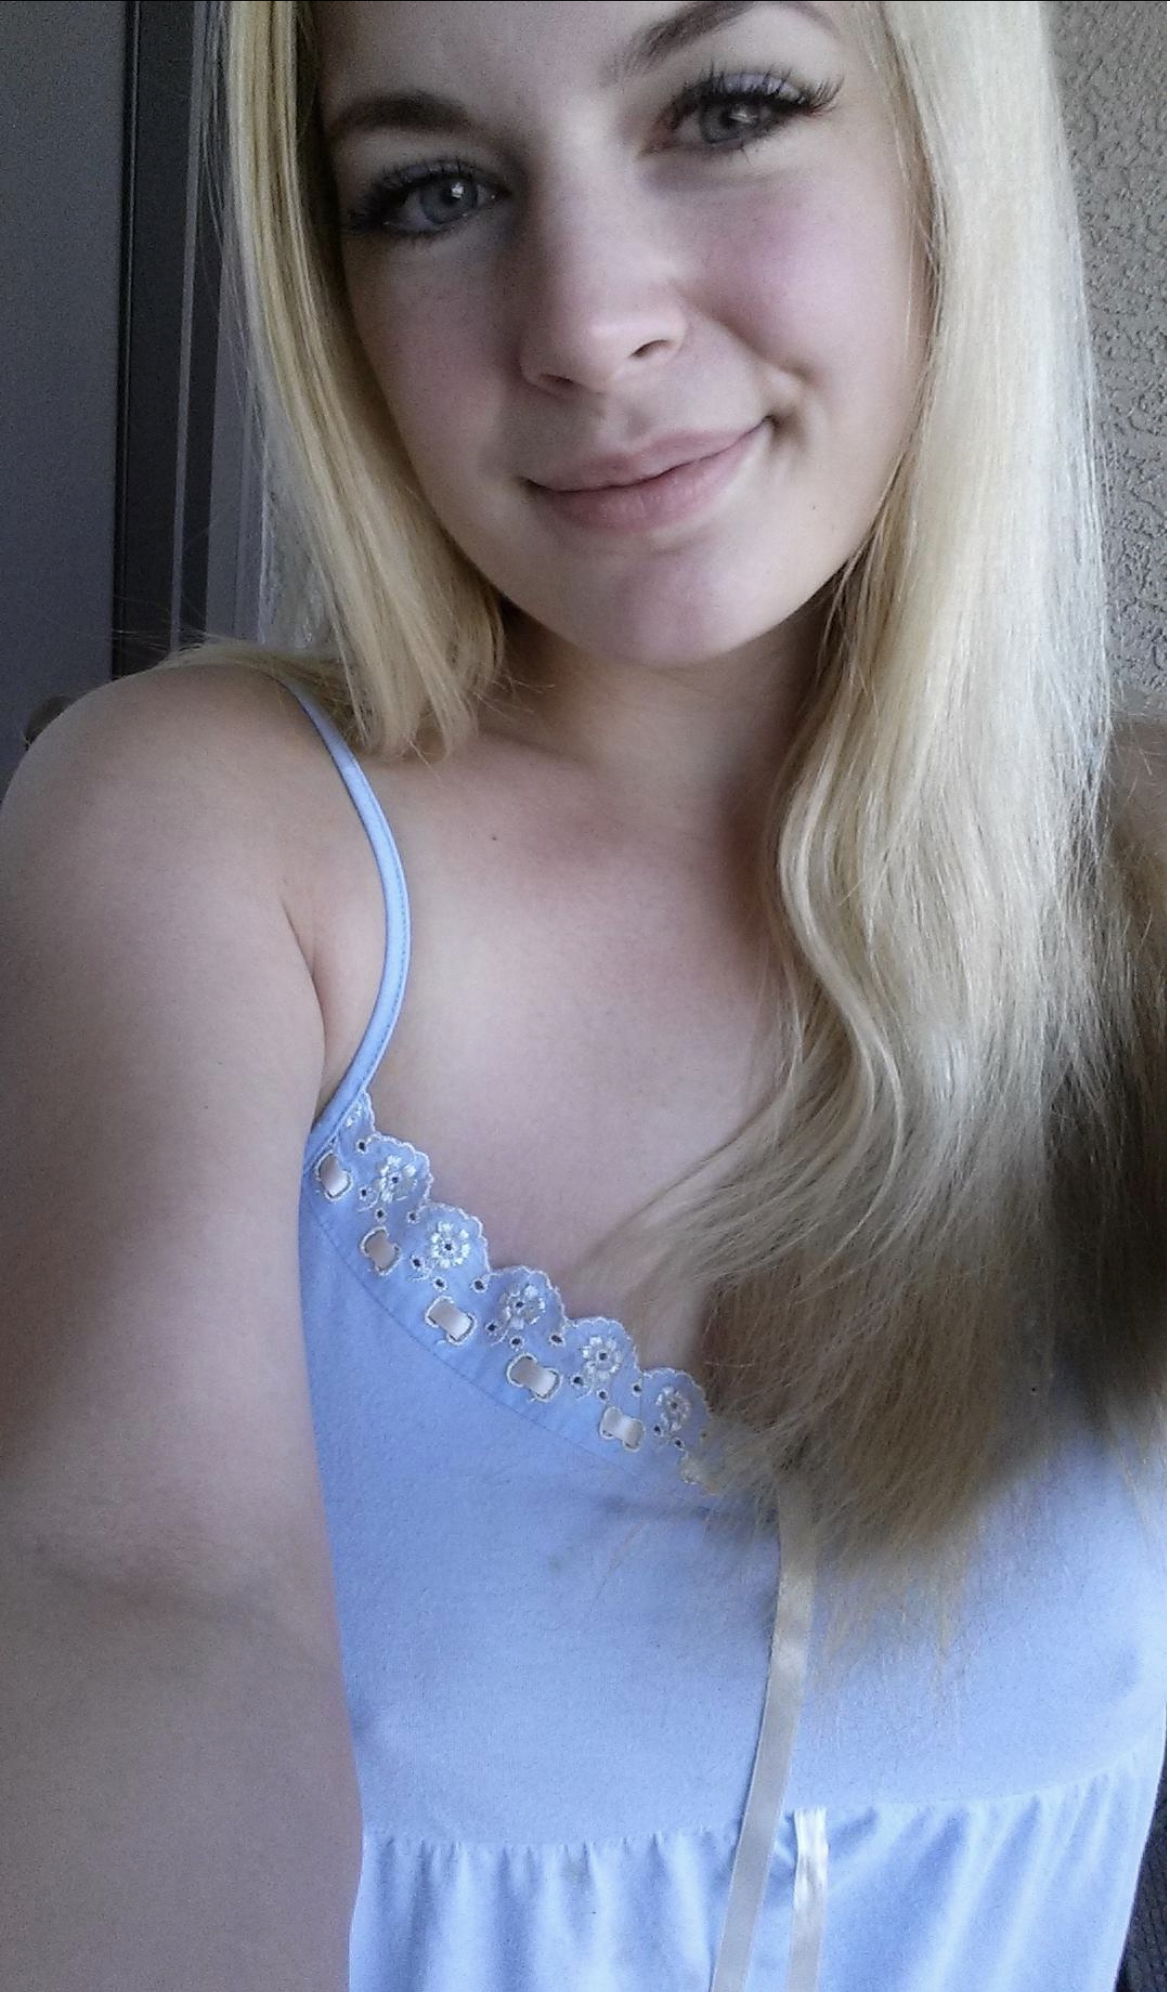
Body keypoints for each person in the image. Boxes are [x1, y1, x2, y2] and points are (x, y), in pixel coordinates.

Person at [0, 3, 1163, 1989]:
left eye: (727, 107)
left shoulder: (1136, 880)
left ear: (942, 152)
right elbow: (134, 1581)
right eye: (432, 191)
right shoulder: (209, 838)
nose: (587, 325)